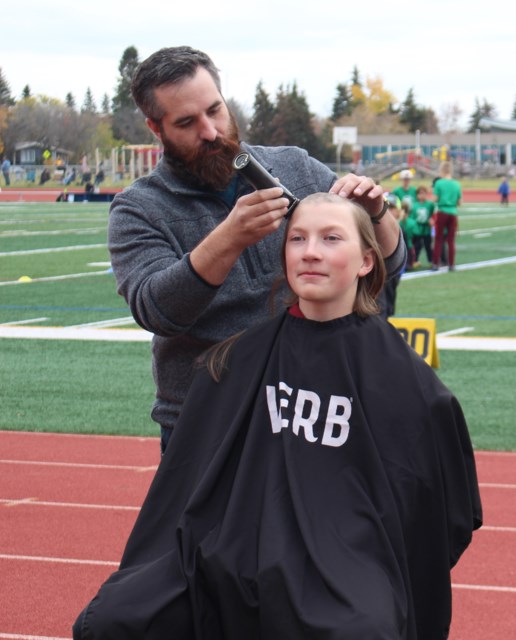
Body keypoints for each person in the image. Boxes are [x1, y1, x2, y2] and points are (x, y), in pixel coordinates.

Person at [74, 193, 482, 640]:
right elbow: (186, 490)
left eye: (331, 238)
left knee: (360, 628)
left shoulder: (405, 379)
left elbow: (441, 511)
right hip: (233, 552)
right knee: (116, 618)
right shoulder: (236, 361)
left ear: (366, 261)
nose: (310, 251)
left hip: (349, 565)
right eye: (298, 239)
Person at [106, 46, 405, 453]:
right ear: (156, 128)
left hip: (310, 411)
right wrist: (228, 239)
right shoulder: (138, 208)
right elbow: (156, 310)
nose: (210, 131)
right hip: (206, 423)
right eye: (187, 122)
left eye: (215, 110)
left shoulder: (297, 167)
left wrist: (377, 212)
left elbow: (387, 264)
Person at [431, 161, 462, 272]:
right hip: (453, 212)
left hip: (442, 211)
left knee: (438, 239)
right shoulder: (457, 184)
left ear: (442, 170)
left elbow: (434, 199)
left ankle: (435, 263)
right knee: (451, 240)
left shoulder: (439, 183)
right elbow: (460, 202)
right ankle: (451, 264)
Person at [409, 185, 435, 268]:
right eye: (419, 194)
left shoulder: (429, 204)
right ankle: (415, 260)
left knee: (428, 246)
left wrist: (431, 220)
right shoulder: (414, 205)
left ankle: (430, 261)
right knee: (417, 246)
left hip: (426, 228)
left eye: (423, 193)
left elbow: (433, 214)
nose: (421, 195)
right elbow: (412, 217)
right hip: (417, 229)